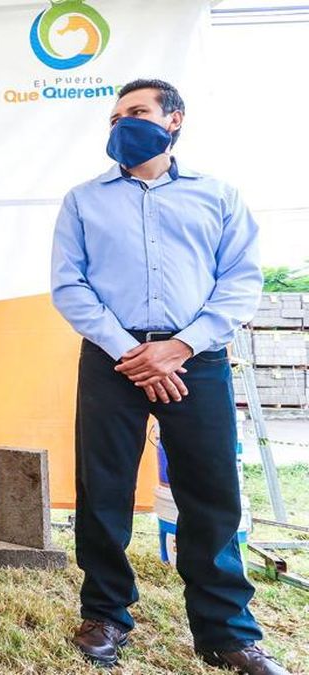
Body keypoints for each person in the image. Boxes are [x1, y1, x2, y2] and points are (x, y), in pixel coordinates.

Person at [51, 79, 286, 674]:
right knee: (103, 491)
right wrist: (133, 352)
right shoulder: (83, 200)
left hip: (196, 360)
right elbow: (69, 284)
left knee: (211, 494)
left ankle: (227, 633)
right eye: (114, 117)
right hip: (113, 360)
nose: (122, 124)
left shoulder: (219, 196)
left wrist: (178, 347)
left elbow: (240, 283)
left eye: (136, 112)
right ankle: (105, 616)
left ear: (173, 120)